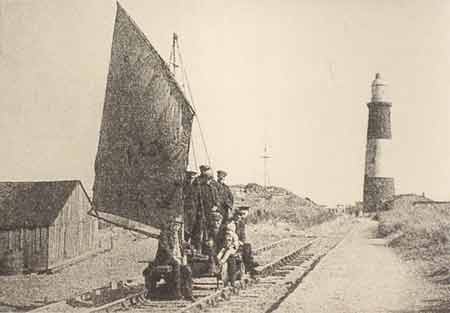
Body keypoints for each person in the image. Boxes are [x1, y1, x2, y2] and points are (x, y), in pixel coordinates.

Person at [143, 215, 194, 301]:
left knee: (187, 270)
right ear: (171, 224)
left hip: (175, 259)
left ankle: (188, 294)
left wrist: (191, 248)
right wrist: (174, 258)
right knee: (177, 265)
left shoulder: (177, 235)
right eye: (175, 224)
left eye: (178, 225)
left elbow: (183, 244)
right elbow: (165, 248)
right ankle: (176, 292)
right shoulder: (165, 234)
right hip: (164, 259)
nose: (177, 227)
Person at [234, 206, 259, 274]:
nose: (241, 216)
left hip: (237, 242)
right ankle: (249, 266)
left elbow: (242, 235)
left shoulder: (241, 223)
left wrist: (241, 241)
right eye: (240, 214)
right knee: (247, 247)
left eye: (243, 214)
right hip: (232, 242)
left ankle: (249, 265)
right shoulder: (233, 223)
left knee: (247, 246)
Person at [183, 170, 197, 242]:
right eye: (190, 176)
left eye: (193, 176)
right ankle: (184, 239)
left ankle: (188, 239)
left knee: (192, 224)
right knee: (185, 223)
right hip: (185, 207)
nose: (191, 177)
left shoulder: (197, 186)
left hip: (193, 208)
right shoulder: (184, 185)